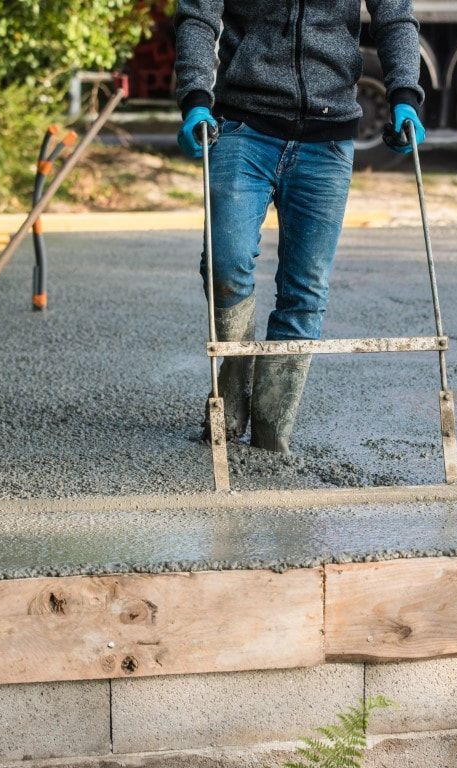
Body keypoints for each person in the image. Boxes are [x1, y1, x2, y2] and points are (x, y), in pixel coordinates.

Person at [174, 0, 426, 454]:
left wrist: (405, 95)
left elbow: (395, 16)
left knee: (304, 289)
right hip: (242, 125)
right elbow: (198, 14)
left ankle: (272, 433)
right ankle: (229, 403)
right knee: (224, 265)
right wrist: (195, 98)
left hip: (326, 141)